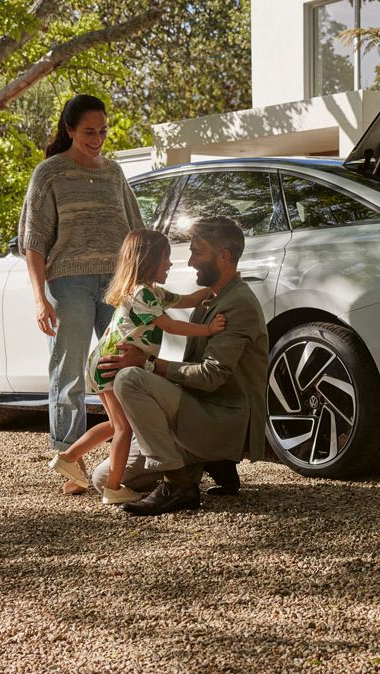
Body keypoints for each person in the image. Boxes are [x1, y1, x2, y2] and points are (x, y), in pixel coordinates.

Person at [91, 216, 269, 514]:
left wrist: (146, 363)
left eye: (197, 252)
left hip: (221, 419)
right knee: (103, 479)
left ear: (224, 257)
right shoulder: (211, 300)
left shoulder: (238, 305)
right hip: (198, 409)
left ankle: (178, 484)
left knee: (129, 379)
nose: (190, 261)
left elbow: (211, 377)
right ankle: (208, 461)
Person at [17, 94, 144, 492]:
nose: (98, 138)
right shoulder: (49, 173)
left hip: (115, 285)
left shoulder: (114, 173)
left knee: (121, 368)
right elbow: (34, 242)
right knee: (69, 372)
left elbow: (135, 231)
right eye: (89, 131)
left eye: (103, 131)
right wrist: (40, 299)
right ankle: (69, 460)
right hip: (68, 283)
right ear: (69, 130)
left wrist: (140, 286)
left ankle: (134, 454)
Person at [47, 230, 226, 504]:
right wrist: (208, 329)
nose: (170, 263)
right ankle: (114, 489)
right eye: (166, 257)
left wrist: (216, 289)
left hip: (104, 362)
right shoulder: (143, 293)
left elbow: (187, 300)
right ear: (150, 259)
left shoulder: (151, 291)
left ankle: (69, 456)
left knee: (117, 423)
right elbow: (170, 325)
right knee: (123, 429)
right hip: (112, 364)